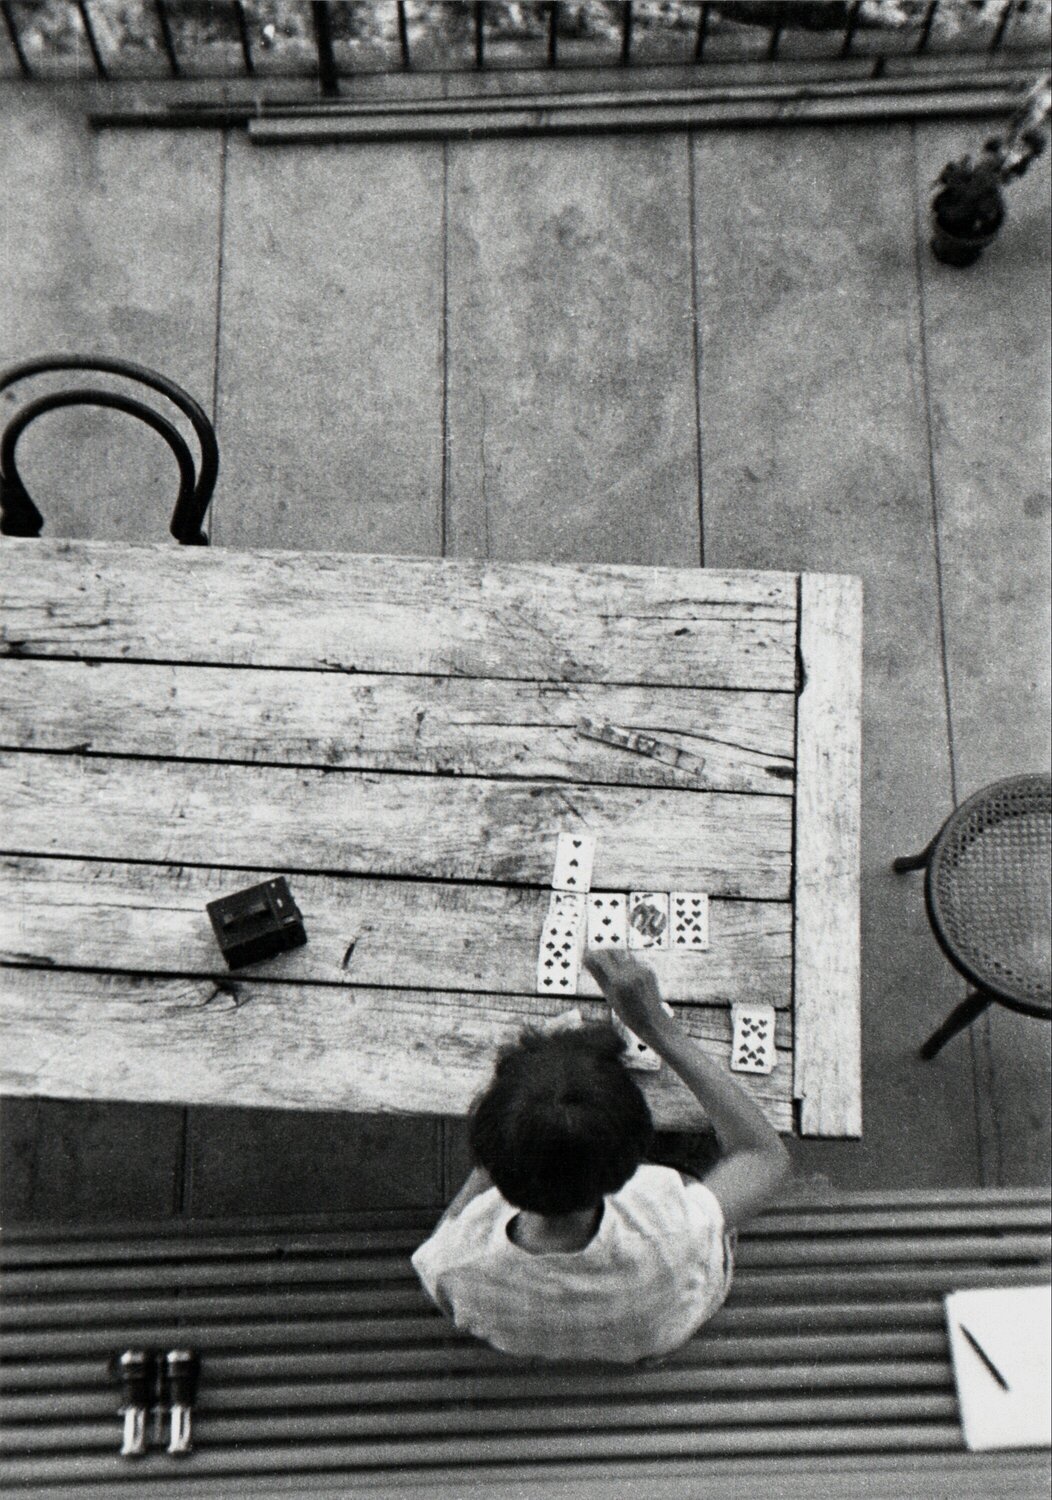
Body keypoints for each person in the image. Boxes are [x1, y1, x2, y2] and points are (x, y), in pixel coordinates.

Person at [411, 949, 790, 1363]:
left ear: (491, 1157)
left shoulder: (453, 1259)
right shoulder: (675, 1224)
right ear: (635, 1162)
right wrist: (657, 1027)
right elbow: (763, 1154)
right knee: (703, 1151)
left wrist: (520, 1118)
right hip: (661, 1321)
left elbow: (451, 1230)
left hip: (539, 1335)